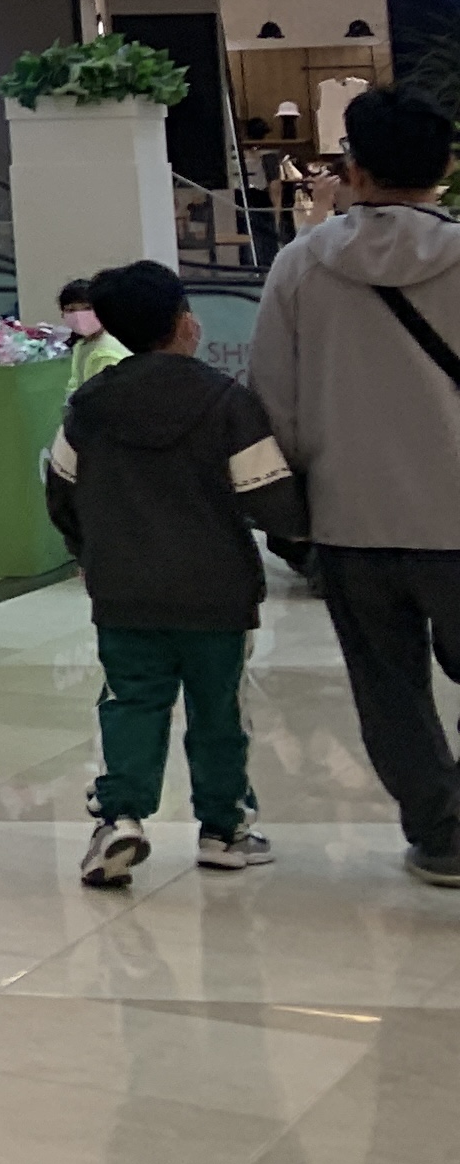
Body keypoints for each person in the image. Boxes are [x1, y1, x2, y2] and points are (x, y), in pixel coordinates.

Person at [246, 87, 460, 886]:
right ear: (445, 168)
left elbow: (275, 399)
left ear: (353, 169)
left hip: (351, 520)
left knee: (389, 689)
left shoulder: (301, 264)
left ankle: (442, 837)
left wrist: (306, 487)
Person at [48, 261, 307, 886]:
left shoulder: (88, 407)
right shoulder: (227, 402)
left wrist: (89, 551)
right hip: (216, 592)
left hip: (124, 591)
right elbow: (274, 502)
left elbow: (60, 490)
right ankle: (224, 827)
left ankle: (121, 817)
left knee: (131, 700)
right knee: (219, 710)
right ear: (184, 323)